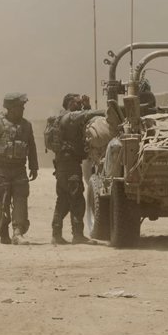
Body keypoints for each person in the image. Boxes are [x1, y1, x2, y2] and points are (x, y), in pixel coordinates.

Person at [0, 92, 38, 245]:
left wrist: (34, 166)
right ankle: (3, 232)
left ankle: (18, 232)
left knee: (21, 199)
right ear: (10, 108)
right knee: (3, 202)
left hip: (20, 169)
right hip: (1, 170)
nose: (22, 109)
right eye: (19, 106)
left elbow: (32, 147)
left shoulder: (26, 125)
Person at [51, 93, 103, 245]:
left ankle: (56, 233)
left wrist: (86, 106)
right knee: (76, 198)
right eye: (77, 102)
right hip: (69, 165)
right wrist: (103, 111)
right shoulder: (68, 117)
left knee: (63, 199)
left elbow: (85, 119)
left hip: (65, 164)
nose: (79, 105)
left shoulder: (65, 118)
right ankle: (78, 234)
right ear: (69, 104)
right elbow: (85, 115)